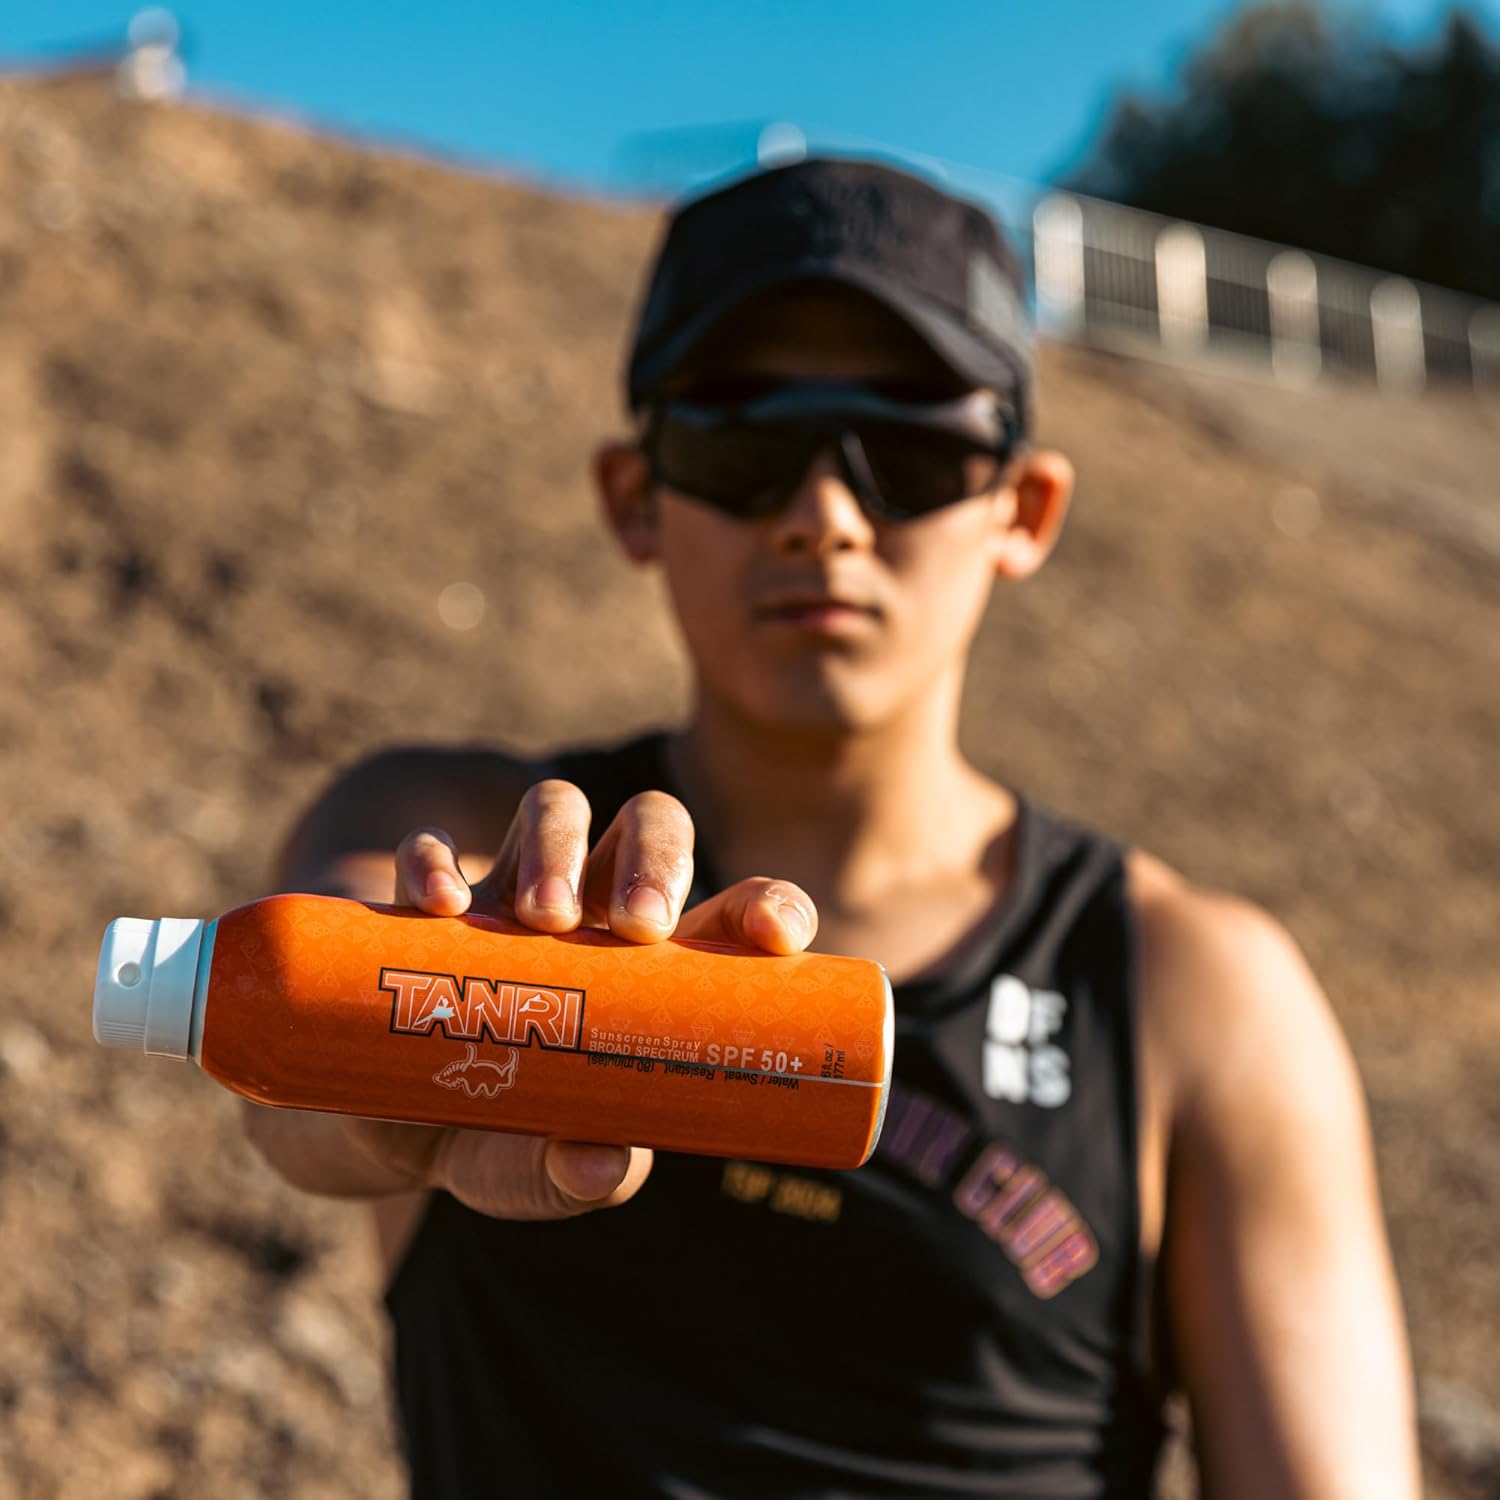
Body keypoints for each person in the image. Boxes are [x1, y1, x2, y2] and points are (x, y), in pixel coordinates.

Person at [246, 157, 1421, 1498]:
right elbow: (298, 1064)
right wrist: (401, 1087)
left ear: (1022, 508)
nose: (824, 517)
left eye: (913, 447)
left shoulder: (1194, 996)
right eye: (743, 440)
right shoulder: (464, 843)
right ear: (635, 496)